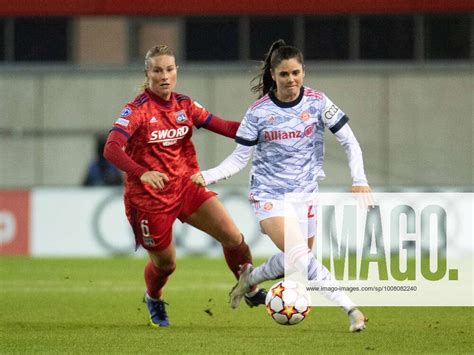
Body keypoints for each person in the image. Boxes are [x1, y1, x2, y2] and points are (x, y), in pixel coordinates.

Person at [191, 40, 371, 332]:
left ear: (304, 72)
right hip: (269, 196)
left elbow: (349, 141)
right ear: (273, 75)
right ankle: (351, 309)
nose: (292, 80)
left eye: (296, 73)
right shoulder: (258, 113)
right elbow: (239, 159)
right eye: (285, 74)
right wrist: (209, 175)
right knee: (301, 257)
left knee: (296, 261)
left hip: (306, 195)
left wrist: (359, 180)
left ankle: (250, 278)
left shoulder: (318, 102)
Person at [103, 45, 266, 328]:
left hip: (186, 186)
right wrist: (141, 173)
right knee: (166, 264)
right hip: (149, 200)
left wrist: (264, 129)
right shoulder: (136, 111)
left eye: (169, 69)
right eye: (157, 70)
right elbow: (111, 148)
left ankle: (249, 288)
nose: (164, 75)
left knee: (233, 237)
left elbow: (224, 127)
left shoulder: (185, 105)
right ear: (147, 74)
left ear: (177, 71)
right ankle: (153, 297)